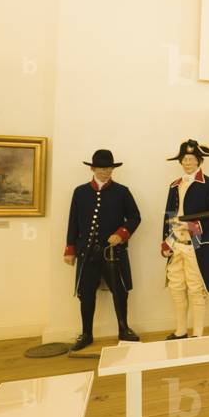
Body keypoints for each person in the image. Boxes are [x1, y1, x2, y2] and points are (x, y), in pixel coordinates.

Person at [64, 149, 141, 351]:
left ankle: (124, 329)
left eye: (109, 168)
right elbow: (73, 221)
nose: (106, 172)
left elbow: (135, 217)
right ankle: (87, 333)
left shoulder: (122, 191)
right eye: (101, 168)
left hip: (112, 253)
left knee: (120, 291)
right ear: (92, 168)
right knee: (86, 293)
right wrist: (70, 249)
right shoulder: (80, 192)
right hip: (87, 253)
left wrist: (121, 234)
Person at [162, 139, 209, 339]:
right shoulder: (174, 185)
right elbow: (169, 214)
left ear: (199, 161)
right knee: (176, 287)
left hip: (197, 245)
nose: (187, 162)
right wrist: (165, 240)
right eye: (184, 159)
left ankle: (197, 335)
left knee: (197, 289)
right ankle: (180, 331)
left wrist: (195, 226)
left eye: (191, 159)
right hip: (176, 243)